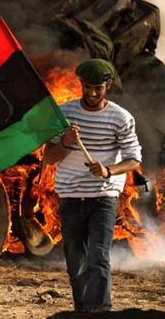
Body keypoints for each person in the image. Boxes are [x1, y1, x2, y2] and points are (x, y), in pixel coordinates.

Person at [43, 58, 142, 312]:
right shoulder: (64, 114)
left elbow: (133, 160)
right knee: (75, 260)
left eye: (98, 88)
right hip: (70, 198)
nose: (92, 93)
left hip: (103, 198)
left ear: (107, 85)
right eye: (88, 87)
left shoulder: (120, 117)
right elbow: (48, 157)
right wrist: (65, 141)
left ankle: (101, 312)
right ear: (81, 84)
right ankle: (82, 311)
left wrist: (109, 170)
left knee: (98, 258)